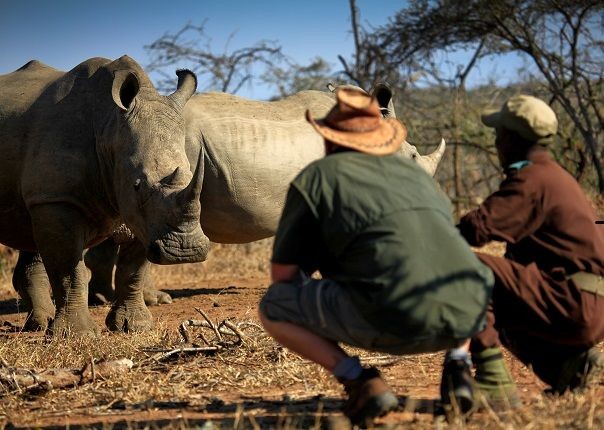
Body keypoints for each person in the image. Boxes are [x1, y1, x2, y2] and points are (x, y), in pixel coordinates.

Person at [258, 87, 494, 426]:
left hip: (389, 319)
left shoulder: (319, 177)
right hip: (465, 315)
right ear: (383, 140)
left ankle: (359, 381)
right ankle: (459, 367)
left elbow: (283, 277)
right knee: (461, 273)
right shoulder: (417, 176)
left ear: (329, 139)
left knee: (275, 304)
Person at [457, 94, 604, 406]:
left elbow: (476, 230)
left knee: (463, 266)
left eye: (499, 135)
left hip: (572, 302)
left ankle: (495, 384)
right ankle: (571, 367)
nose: (496, 142)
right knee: (504, 301)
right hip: (587, 304)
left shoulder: (532, 180)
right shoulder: (554, 176)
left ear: (512, 138)